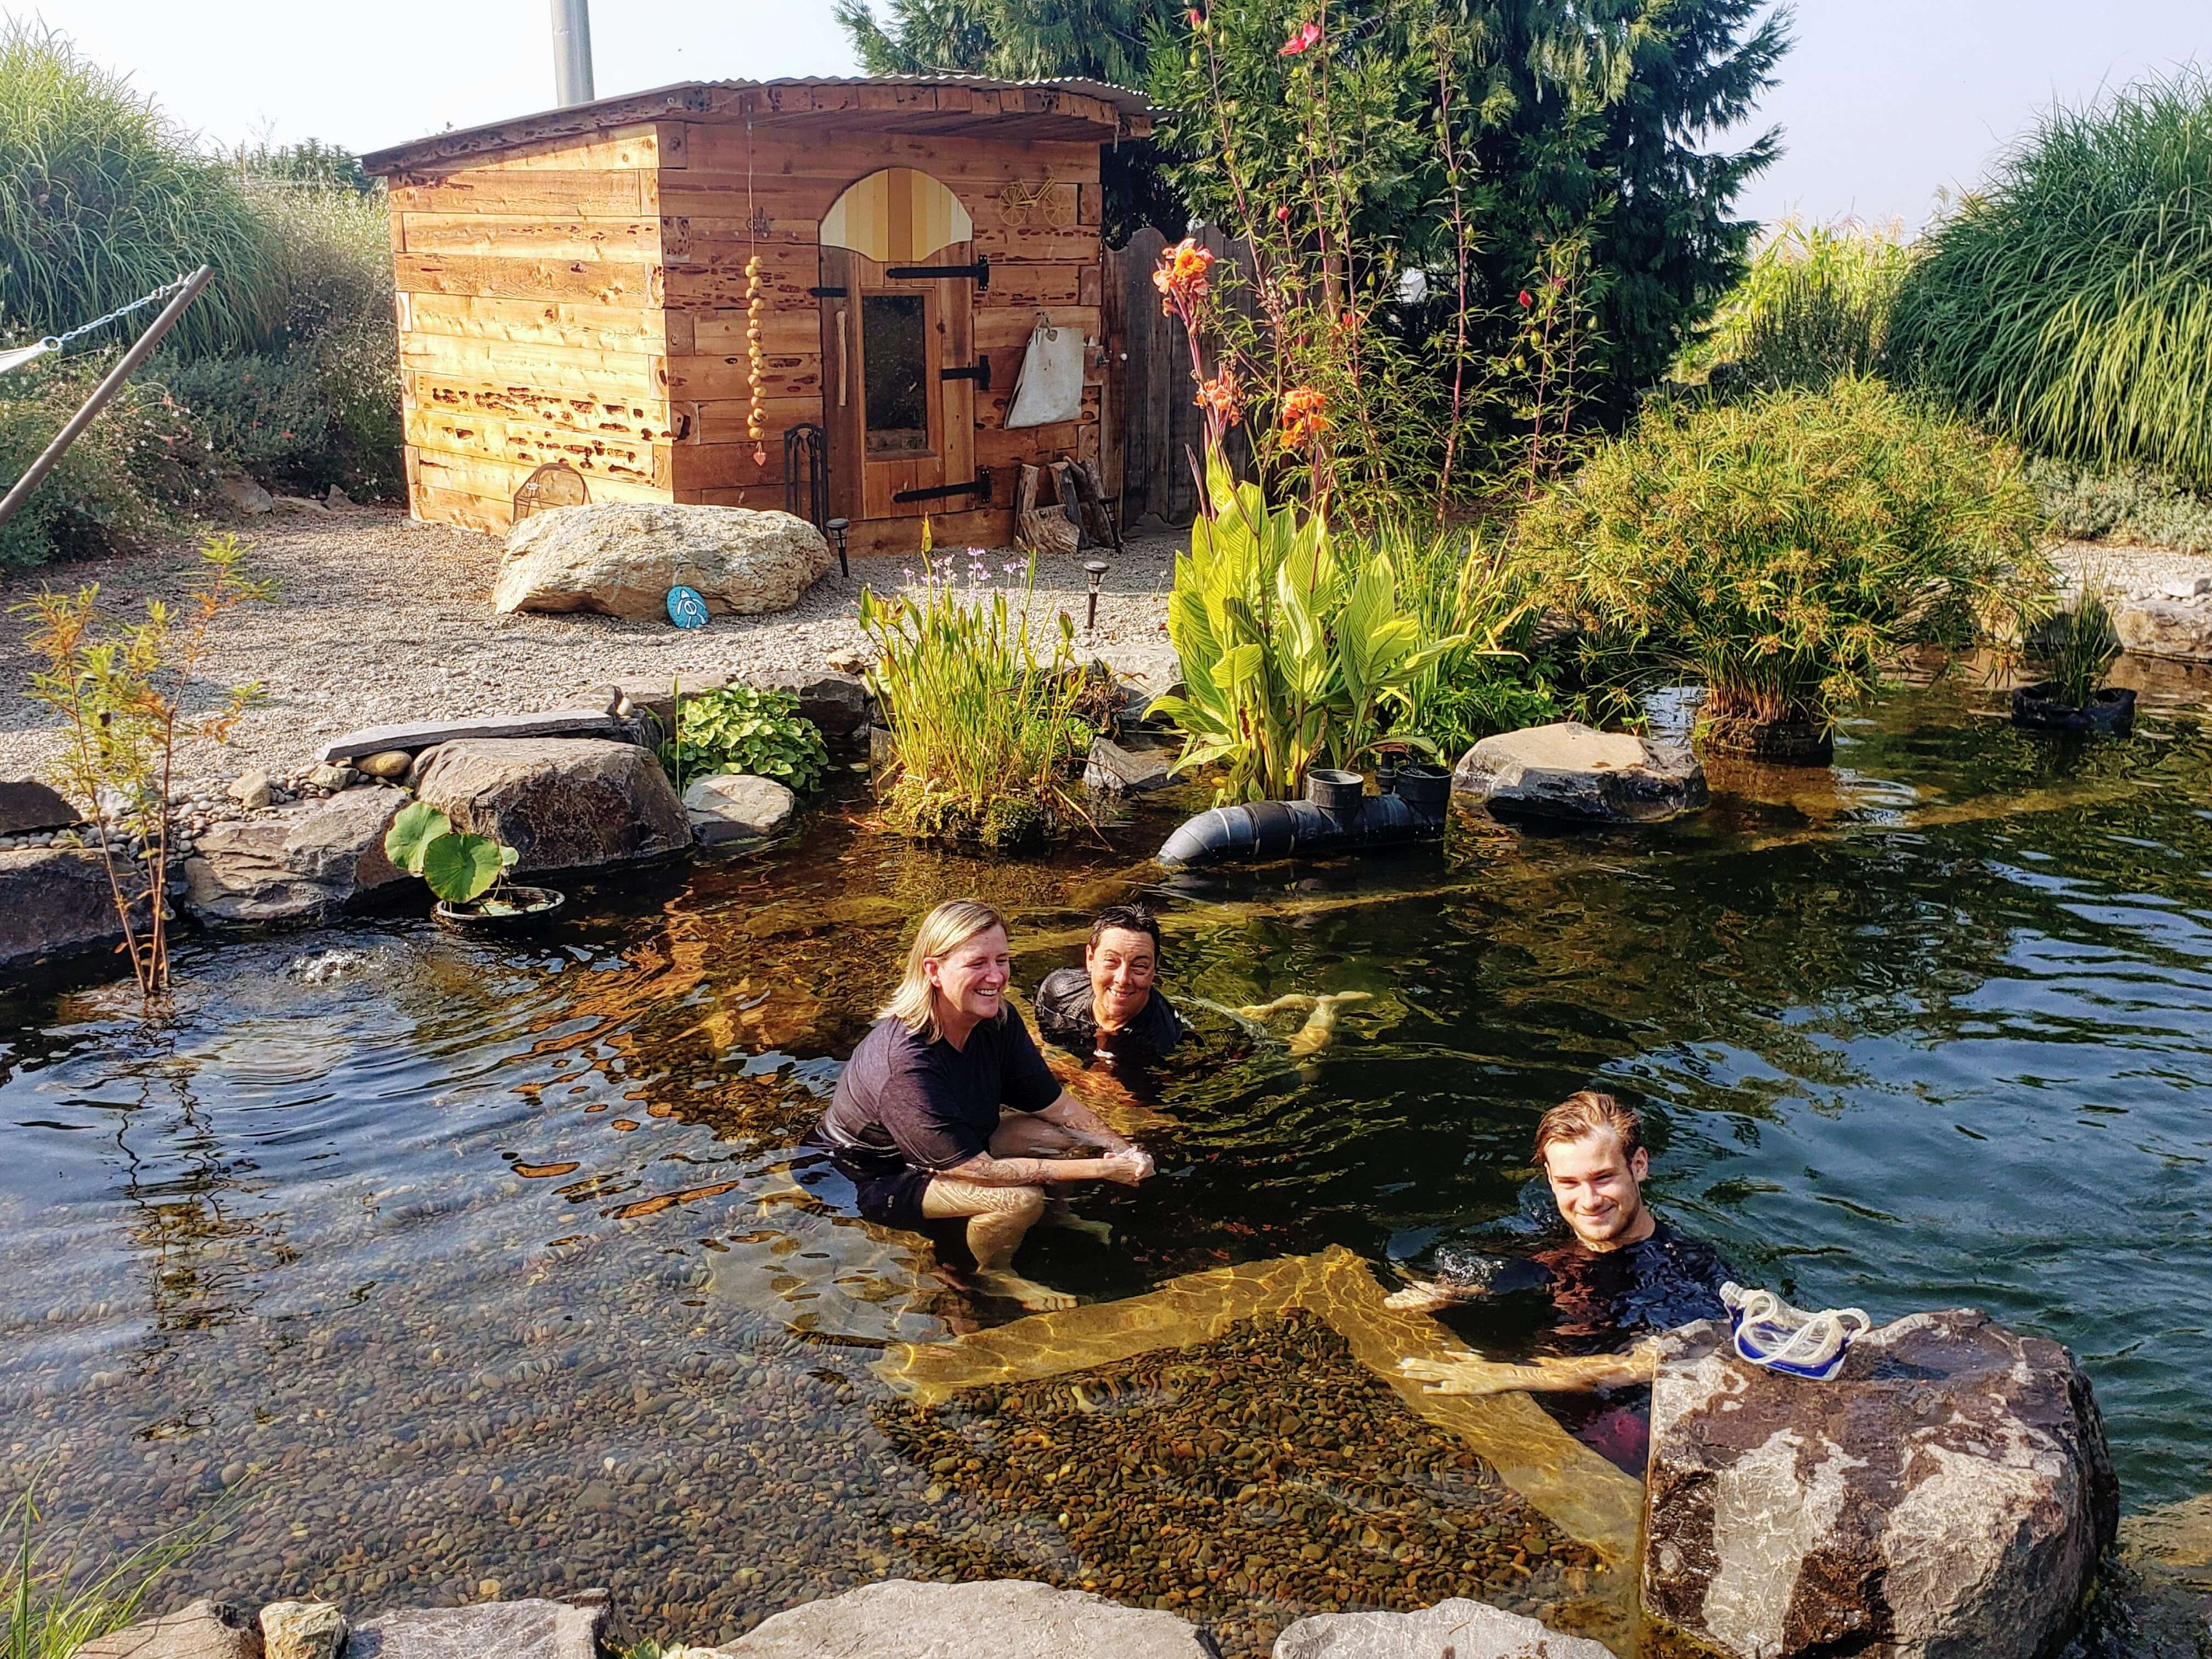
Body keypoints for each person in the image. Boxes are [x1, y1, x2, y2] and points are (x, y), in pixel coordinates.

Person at [810, 899, 1154, 1312]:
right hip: (867, 1176)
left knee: (1060, 1138)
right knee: (1016, 1199)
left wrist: (1120, 1147)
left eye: (1002, 960)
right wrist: (1100, 1169)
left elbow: (1057, 1105)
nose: (996, 977)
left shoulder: (998, 1022)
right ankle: (995, 1273)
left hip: (960, 1144)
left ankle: (1054, 1217)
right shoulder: (904, 1063)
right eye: (978, 964)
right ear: (933, 971)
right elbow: (979, 1171)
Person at [1392, 1091, 1735, 1471]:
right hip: (1544, 1362)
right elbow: (1494, 1262)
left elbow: (1658, 1359)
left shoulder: (1685, 1268)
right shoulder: (1546, 1227)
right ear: (1551, 1180)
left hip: (1617, 1409)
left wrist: (1509, 1374)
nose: (1588, 1201)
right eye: (1569, 1183)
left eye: (1603, 1178)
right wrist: (1445, 1290)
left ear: (1638, 1165)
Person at [1032, 903, 1187, 1064]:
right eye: (1111, 962)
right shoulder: (1059, 992)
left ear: (1155, 968)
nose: (1123, 979)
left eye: (1140, 966)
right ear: (1090, 959)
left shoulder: (1160, 1040)